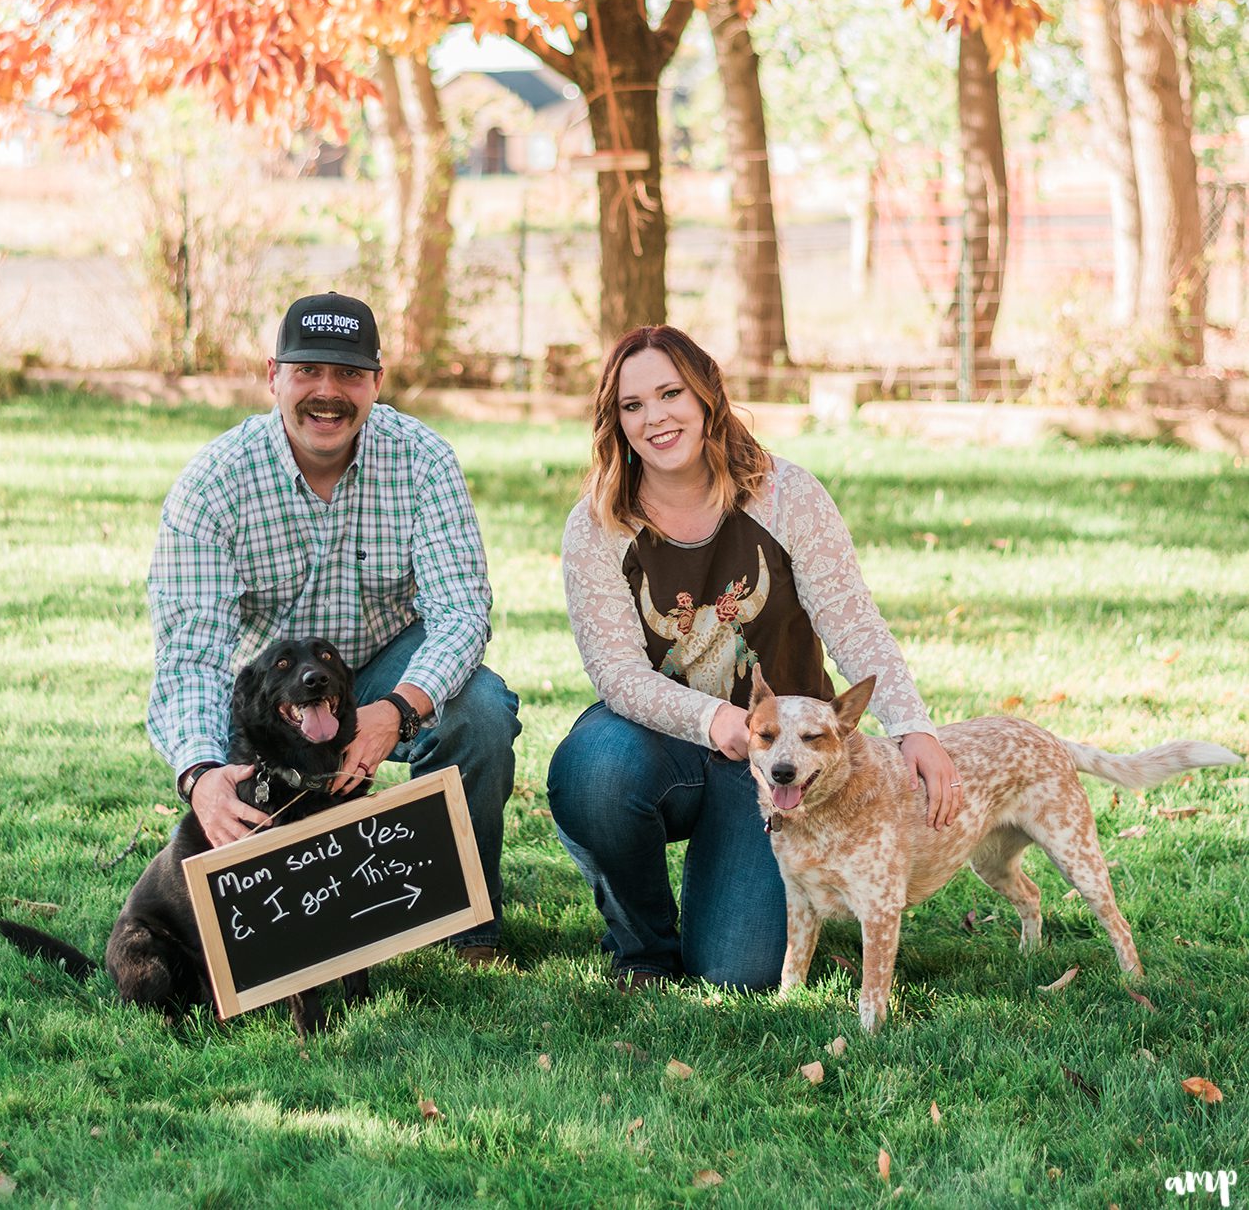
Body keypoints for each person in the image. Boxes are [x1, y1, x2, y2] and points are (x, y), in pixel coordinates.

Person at [547, 325, 960, 992]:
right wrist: (716, 721)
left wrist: (914, 725)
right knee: (594, 771)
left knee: (737, 969)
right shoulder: (598, 523)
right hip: (664, 743)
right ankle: (643, 946)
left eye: (671, 393)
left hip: (783, 757)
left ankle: (732, 880)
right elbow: (617, 674)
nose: (655, 417)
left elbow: (852, 621)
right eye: (632, 405)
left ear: (708, 395)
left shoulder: (785, 495)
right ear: (615, 421)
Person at [146, 290, 520, 964]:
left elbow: (461, 611)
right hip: (268, 690)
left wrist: (396, 711)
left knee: (482, 712)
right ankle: (284, 937)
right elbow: (192, 655)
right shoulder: (214, 483)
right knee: (235, 802)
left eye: (348, 374)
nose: (328, 392)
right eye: (308, 370)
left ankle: (471, 927)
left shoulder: (423, 461)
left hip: (383, 662)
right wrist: (200, 772)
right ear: (273, 376)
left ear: (377, 381)